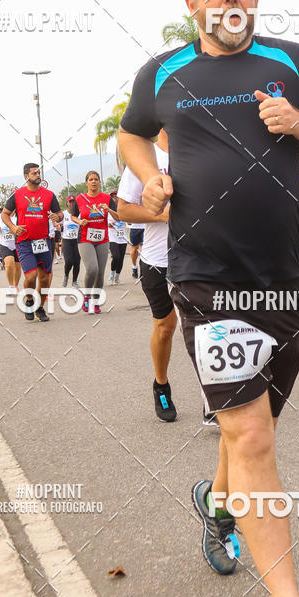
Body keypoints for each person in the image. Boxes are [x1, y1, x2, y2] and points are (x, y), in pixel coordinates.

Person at [118, 0, 299, 597]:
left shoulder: (292, 64)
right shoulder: (163, 73)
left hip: (277, 279)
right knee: (249, 434)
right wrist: (149, 176)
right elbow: (132, 133)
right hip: (203, 279)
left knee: (252, 423)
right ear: (191, 2)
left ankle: (216, 505)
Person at [117, 129, 179, 422]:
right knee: (166, 327)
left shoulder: (201, 152)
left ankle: (213, 395)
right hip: (157, 260)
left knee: (203, 327)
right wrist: (163, 215)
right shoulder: (146, 159)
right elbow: (124, 210)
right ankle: (161, 385)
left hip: (198, 258)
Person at [1, 163, 63, 322]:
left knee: (44, 279)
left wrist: (57, 217)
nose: (38, 175)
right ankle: (29, 300)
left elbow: (59, 213)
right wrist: (13, 227)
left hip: (43, 242)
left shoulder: (49, 195)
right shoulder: (17, 194)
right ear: (26, 176)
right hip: (25, 242)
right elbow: (5, 214)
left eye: (39, 172)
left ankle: (39, 308)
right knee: (31, 276)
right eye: (34, 173)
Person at [70, 171, 120, 314]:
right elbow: (73, 216)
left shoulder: (106, 198)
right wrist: (80, 221)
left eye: (96, 179)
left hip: (102, 239)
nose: (93, 182)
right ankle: (86, 296)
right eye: (91, 179)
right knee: (92, 269)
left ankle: (96, 301)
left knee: (100, 273)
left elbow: (118, 217)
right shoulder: (80, 199)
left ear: (99, 182)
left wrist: (108, 209)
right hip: (85, 238)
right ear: (86, 182)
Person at [0, 207, 21, 294]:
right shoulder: (0, 216)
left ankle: (16, 285)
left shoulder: (19, 216)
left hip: (17, 244)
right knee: (9, 263)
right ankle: (11, 285)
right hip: (5, 244)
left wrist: (15, 231)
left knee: (17, 266)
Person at [107, 192, 128, 285]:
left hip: (122, 238)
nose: (114, 199)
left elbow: (129, 221)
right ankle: (111, 275)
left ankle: (117, 278)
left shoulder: (124, 210)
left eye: (116, 197)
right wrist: (109, 224)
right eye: (112, 197)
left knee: (121, 259)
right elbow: (105, 223)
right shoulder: (108, 211)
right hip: (113, 238)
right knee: (116, 256)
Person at [61, 195, 81, 288]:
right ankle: (66, 275)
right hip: (67, 240)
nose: (71, 204)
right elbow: (57, 222)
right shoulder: (63, 214)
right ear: (67, 203)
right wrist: (57, 225)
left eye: (73, 202)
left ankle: (74, 281)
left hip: (77, 240)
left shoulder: (79, 214)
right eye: (70, 202)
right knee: (69, 261)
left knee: (77, 261)